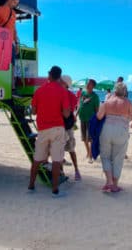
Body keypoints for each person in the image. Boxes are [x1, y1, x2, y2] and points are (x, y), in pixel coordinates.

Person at [28, 66, 71, 198]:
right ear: (59, 77)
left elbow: (34, 111)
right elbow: (66, 113)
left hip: (43, 129)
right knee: (57, 160)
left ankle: (31, 185)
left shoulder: (39, 91)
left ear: (49, 75)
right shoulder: (63, 92)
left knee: (37, 159)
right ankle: (55, 190)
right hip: (57, 128)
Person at [96, 82, 132, 193]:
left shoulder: (107, 102)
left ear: (114, 91)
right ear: (125, 91)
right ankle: (114, 184)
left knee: (105, 156)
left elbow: (99, 116)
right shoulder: (128, 103)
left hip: (106, 130)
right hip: (121, 131)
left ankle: (109, 182)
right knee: (118, 158)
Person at [59, 75, 81, 181]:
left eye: (61, 81)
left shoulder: (70, 96)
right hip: (64, 125)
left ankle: (76, 170)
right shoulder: (70, 96)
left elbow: (67, 112)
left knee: (70, 149)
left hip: (66, 125)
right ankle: (63, 171)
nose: (59, 82)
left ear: (65, 84)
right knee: (61, 150)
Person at [77, 79, 100, 163]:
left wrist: (97, 121)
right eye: (87, 83)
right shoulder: (83, 93)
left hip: (91, 120)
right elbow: (80, 104)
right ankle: (88, 152)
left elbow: (97, 110)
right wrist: (76, 115)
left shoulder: (95, 96)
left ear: (93, 86)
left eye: (89, 84)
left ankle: (90, 155)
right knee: (84, 138)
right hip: (82, 118)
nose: (87, 85)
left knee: (90, 139)